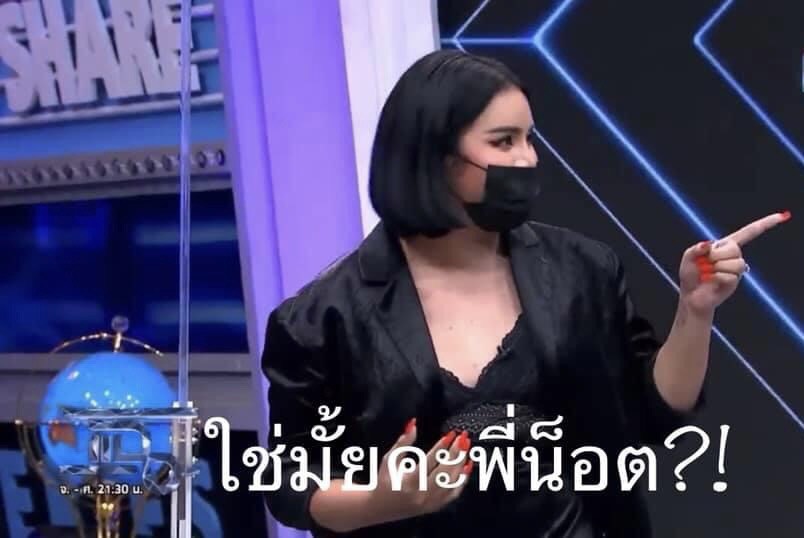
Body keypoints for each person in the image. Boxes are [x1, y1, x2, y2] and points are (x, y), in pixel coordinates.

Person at [260, 49, 790, 537]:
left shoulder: (583, 270)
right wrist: (377, 502)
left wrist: (695, 312)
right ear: (434, 154)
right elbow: (288, 481)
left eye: (529, 139)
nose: (528, 159)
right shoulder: (320, 318)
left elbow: (654, 409)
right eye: (503, 141)